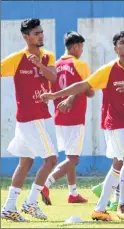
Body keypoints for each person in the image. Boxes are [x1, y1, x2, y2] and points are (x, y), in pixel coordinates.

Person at [40, 31, 124, 221]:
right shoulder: (109, 69)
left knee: (120, 164)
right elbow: (84, 85)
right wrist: (55, 95)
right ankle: (122, 203)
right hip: (115, 123)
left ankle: (100, 209)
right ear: (115, 48)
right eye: (122, 43)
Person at [1, 18, 57, 221]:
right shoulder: (16, 59)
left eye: (41, 32)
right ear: (26, 37)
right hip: (28, 119)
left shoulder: (47, 56)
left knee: (25, 162)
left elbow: (53, 77)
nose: (41, 35)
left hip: (37, 119)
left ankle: (8, 208)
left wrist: (40, 65)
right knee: (51, 160)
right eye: (36, 33)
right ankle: (31, 203)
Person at [40, 31, 93, 206]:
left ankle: (73, 193)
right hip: (75, 116)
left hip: (59, 117)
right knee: (74, 159)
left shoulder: (55, 65)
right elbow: (89, 90)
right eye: (81, 47)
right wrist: (82, 93)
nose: (82, 50)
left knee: (70, 156)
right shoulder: (81, 64)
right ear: (76, 46)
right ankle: (46, 184)